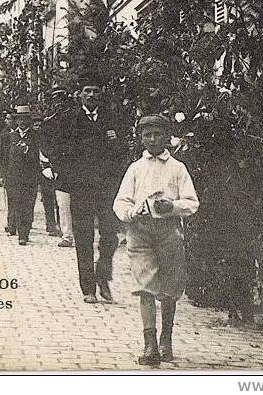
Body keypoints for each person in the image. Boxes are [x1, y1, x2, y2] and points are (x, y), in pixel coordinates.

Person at [113, 114, 199, 365]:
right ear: (140, 138)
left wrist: (172, 207)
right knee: (146, 287)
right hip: (140, 232)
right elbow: (120, 202)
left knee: (170, 288)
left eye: (157, 134)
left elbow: (192, 203)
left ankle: (166, 339)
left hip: (168, 232)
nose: (152, 139)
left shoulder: (177, 168)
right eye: (147, 135)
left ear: (167, 137)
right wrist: (131, 211)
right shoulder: (135, 169)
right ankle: (149, 344)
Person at [58, 77, 129, 304]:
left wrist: (116, 141)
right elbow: (59, 149)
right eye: (87, 91)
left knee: (110, 235)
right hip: (81, 188)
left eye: (95, 91)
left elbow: (123, 151)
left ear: (101, 94)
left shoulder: (112, 119)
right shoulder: (69, 120)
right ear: (79, 94)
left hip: (107, 188)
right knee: (84, 236)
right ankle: (88, 286)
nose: (91, 95)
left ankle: (103, 273)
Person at [40, 86, 75, 247]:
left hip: (77, 167)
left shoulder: (76, 119)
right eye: (55, 100)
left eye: (62, 99)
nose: (59, 103)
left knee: (80, 203)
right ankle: (67, 235)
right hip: (59, 169)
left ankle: (79, 233)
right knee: (63, 203)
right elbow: (43, 146)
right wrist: (47, 165)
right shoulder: (49, 123)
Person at [2, 106, 40, 245]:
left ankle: (26, 230)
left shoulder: (36, 136)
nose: (22, 122)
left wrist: (28, 150)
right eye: (20, 119)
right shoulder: (9, 136)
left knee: (28, 205)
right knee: (17, 204)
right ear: (16, 121)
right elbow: (3, 157)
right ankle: (21, 234)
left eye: (25, 119)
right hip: (14, 177)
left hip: (30, 177)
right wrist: (4, 175)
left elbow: (39, 156)